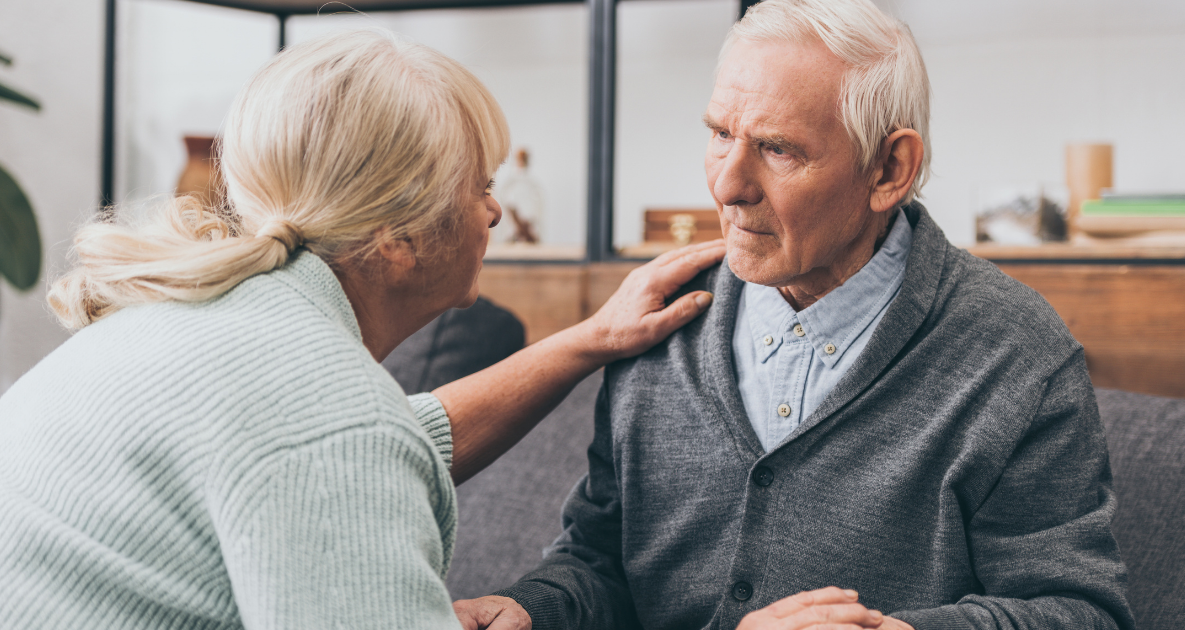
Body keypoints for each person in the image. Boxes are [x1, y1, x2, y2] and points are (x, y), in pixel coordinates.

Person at [0, 30, 726, 629]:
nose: (495, 214)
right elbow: (342, 445)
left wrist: (589, 338)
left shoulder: (193, 327)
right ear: (397, 240)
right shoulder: (327, 424)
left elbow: (390, 438)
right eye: (481, 187)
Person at [453, 1, 1134, 629]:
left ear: (890, 169)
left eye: (778, 149)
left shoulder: (1018, 354)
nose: (727, 185)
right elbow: (600, 560)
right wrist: (530, 608)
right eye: (721, 133)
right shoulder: (658, 322)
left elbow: (1079, 611)